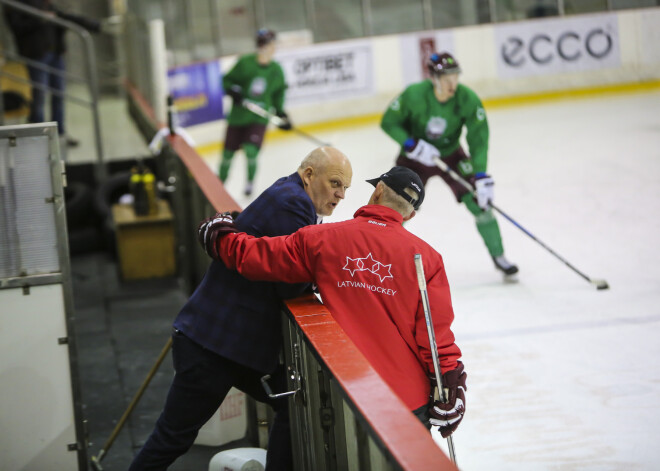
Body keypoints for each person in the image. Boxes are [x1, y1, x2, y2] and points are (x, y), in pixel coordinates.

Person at [128, 146, 352, 471]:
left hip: (233, 347)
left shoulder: (289, 192)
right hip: (212, 347)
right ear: (309, 175)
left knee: (292, 402)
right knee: (172, 438)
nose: (340, 194)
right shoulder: (294, 205)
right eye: (335, 183)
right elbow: (289, 282)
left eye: (345, 187)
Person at [201, 166, 467, 438]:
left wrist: (220, 236)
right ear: (410, 214)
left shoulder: (321, 240)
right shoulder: (427, 259)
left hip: (346, 393)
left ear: (377, 192)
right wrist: (451, 380)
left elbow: (257, 257)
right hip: (408, 399)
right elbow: (435, 338)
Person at [380, 51, 519, 276]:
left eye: (455, 76)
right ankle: (380, 258)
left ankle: (499, 255)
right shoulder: (414, 94)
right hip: (415, 156)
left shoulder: (467, 99)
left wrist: (481, 174)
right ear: (434, 78)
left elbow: (478, 137)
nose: (452, 83)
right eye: (446, 78)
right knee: (396, 204)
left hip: (451, 155)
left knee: (480, 203)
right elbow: (389, 121)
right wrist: (410, 144)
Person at [3, 0, 108, 147]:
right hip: (36, 54)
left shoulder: (44, 2)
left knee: (59, 94)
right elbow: (17, 27)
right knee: (40, 95)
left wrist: (91, 24)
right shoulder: (14, 4)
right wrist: (41, 19)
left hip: (55, 53)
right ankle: (37, 135)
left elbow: (61, 17)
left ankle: (60, 134)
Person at [220, 28, 292, 196]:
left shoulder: (276, 70)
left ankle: (249, 183)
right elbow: (227, 80)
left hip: (258, 117)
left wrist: (281, 113)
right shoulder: (245, 63)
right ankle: (219, 185)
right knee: (227, 154)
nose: (271, 47)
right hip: (238, 116)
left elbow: (278, 93)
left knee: (251, 151)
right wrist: (232, 91)